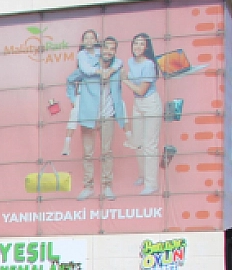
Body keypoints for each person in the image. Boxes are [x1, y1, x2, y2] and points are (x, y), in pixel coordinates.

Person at [76, 36, 126, 200]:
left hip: (108, 115)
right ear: (100, 50)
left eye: (112, 49)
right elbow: (71, 79)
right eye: (106, 48)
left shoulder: (117, 67)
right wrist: (75, 101)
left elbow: (120, 64)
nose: (109, 52)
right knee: (88, 154)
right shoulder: (89, 66)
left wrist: (111, 70)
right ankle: (88, 187)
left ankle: (107, 187)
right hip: (89, 116)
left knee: (107, 153)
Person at [123, 32, 163, 195]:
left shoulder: (149, 64)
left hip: (150, 103)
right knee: (137, 142)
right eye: (135, 43)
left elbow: (141, 90)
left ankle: (151, 183)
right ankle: (142, 175)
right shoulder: (130, 62)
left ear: (146, 47)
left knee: (149, 145)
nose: (138, 47)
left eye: (141, 44)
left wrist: (124, 80)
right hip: (137, 104)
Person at [61, 29, 100, 159]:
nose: (89, 40)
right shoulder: (82, 56)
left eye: (91, 38)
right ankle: (67, 142)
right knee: (74, 115)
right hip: (83, 96)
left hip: (98, 97)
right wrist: (72, 98)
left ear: (96, 40)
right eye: (86, 38)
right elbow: (80, 73)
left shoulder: (100, 54)